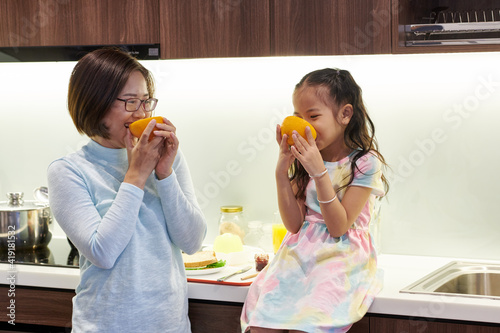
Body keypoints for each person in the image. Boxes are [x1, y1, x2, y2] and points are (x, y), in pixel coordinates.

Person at [47, 48, 207, 332]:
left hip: (170, 325)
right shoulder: (68, 171)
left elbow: (192, 241)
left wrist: (165, 174)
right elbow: (103, 253)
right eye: (131, 102)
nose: (143, 113)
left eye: (146, 101)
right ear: (95, 104)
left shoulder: (165, 157)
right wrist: (136, 174)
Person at [241, 68, 389, 333]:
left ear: (345, 114)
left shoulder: (364, 163)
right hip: (299, 255)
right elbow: (294, 224)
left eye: (313, 116)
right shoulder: (305, 157)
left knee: (308, 324)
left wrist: (319, 173)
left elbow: (338, 227)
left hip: (341, 258)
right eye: (298, 116)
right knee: (264, 323)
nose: (304, 125)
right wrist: (281, 171)